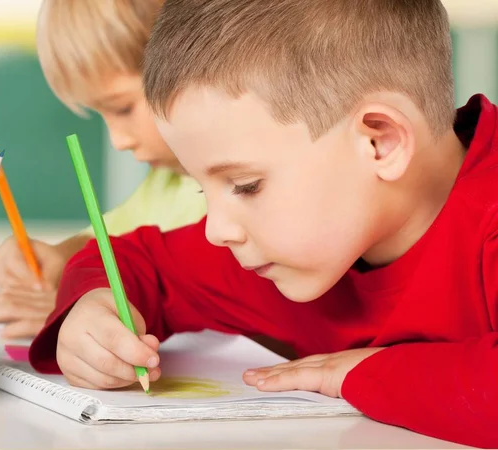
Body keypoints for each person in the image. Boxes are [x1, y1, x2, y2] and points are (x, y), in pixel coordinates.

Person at [28, 0, 498, 447]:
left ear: (381, 142)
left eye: (246, 184)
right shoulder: (276, 248)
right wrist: (95, 312)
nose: (215, 231)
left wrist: (357, 373)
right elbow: (134, 261)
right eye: (200, 188)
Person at [0, 0, 206, 339]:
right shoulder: (168, 182)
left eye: (122, 108)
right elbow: (115, 242)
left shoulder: (240, 188)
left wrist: (79, 304)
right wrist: (61, 258)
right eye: (101, 114)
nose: (118, 141)